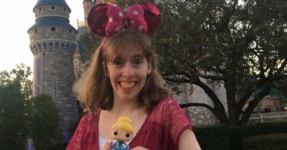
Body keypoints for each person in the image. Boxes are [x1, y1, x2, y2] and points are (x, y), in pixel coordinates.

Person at [67, 2, 201, 150]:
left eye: (137, 62)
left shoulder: (166, 113)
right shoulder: (87, 125)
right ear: (105, 68)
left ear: (149, 65)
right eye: (117, 62)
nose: (128, 73)